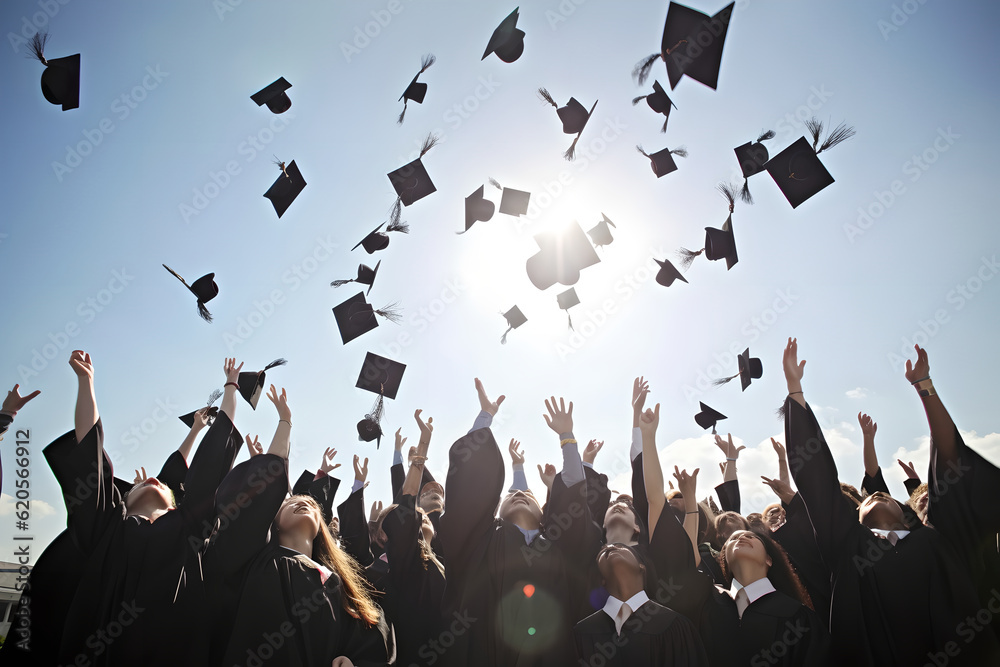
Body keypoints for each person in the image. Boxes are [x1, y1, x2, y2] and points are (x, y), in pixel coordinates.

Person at [782, 337, 1000, 665]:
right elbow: (816, 479)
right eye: (868, 499)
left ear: (907, 512)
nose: (879, 494)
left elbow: (950, 459)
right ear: (852, 516)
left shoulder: (940, 541)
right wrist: (795, 390)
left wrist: (924, 386)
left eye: (886, 494)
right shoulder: (845, 545)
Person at [45, 352, 242, 666]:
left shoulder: (189, 528)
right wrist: (86, 383)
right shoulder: (107, 526)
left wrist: (231, 387)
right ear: (122, 499)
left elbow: (214, 457)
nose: (154, 480)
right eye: (139, 484)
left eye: (162, 484)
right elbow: (89, 458)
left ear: (175, 500)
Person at [205, 385, 392, 667]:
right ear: (272, 519)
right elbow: (261, 491)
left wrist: (351, 660)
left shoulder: (337, 586)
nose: (304, 503)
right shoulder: (253, 560)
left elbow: (371, 639)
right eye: (290, 502)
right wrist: (285, 422)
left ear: (322, 527)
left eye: (313, 505)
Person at [439, 379, 596, 667]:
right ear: (495, 512)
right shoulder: (479, 542)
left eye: (528, 495)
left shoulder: (559, 547)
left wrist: (567, 437)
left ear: (545, 514)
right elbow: (468, 490)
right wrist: (484, 417)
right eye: (513, 495)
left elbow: (574, 495)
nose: (521, 494)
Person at [370, 408, 447, 665]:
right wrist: (421, 448)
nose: (420, 515)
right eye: (414, 514)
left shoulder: (446, 559)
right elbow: (405, 502)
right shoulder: (402, 563)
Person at [573, 543, 709, 666]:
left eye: (621, 547)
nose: (610, 547)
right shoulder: (581, 633)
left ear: (641, 567)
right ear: (601, 579)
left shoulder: (675, 626)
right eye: (602, 552)